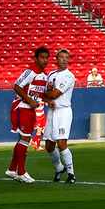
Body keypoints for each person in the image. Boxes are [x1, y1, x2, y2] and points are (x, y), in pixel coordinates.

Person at [7, 46, 50, 183]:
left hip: (30, 109)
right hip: (22, 107)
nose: (45, 60)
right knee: (25, 139)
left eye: (46, 58)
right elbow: (17, 86)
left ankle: (12, 169)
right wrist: (29, 100)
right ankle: (21, 172)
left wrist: (48, 100)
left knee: (22, 139)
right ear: (36, 58)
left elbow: (40, 93)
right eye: (42, 57)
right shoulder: (30, 71)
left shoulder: (44, 75)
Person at [44, 49, 77, 184]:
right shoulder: (51, 74)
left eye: (66, 57)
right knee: (49, 145)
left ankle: (71, 174)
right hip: (52, 112)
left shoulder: (69, 76)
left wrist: (49, 96)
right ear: (56, 59)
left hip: (63, 112)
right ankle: (59, 168)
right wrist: (47, 99)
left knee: (61, 142)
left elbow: (54, 94)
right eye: (61, 57)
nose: (64, 59)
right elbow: (44, 93)